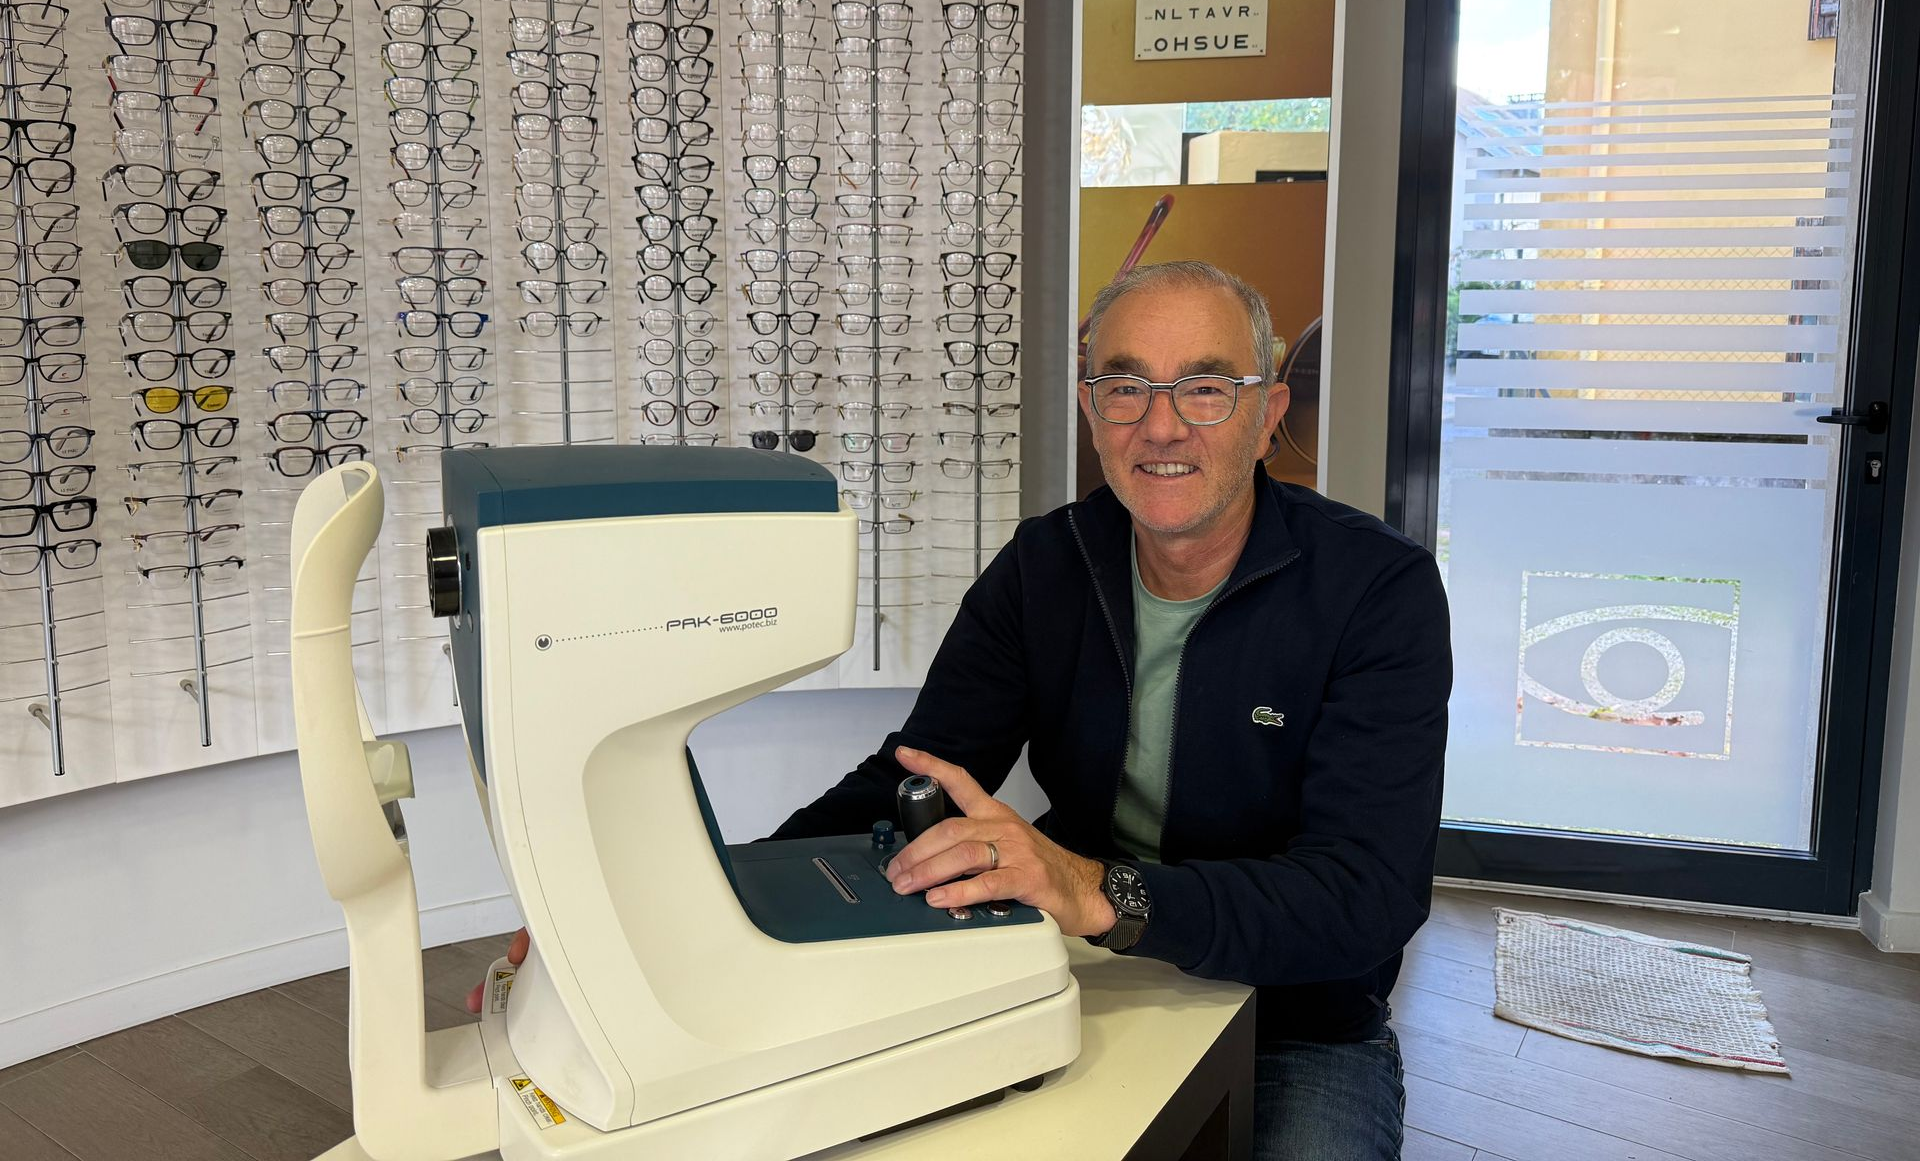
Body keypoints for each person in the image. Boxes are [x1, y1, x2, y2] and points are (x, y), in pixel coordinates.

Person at [470, 261, 1452, 1161]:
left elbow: (1364, 902)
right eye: (1125, 387)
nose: (1160, 427)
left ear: (1267, 406)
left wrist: (1095, 888)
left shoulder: (1379, 591)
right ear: (1092, 407)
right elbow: (918, 773)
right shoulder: (1047, 564)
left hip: (1299, 1017)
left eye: (1203, 386)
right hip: (1083, 972)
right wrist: (671, 915)